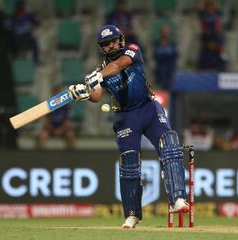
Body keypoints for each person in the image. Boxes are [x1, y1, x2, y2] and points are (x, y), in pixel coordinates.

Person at [68, 24, 189, 228]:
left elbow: (120, 65)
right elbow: (97, 96)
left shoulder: (132, 50)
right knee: (129, 164)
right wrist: (84, 92)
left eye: (114, 40)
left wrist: (98, 77)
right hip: (126, 117)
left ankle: (177, 199)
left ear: (121, 40)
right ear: (101, 48)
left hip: (148, 108)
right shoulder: (99, 72)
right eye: (106, 44)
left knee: (170, 143)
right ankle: (132, 214)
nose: (111, 45)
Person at [153, 24, 178, 90]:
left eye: (166, 32)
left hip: (170, 69)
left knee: (170, 87)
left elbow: (175, 55)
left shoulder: (173, 43)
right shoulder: (157, 43)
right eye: (164, 32)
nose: (165, 33)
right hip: (160, 69)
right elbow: (155, 55)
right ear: (161, 33)